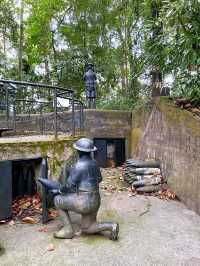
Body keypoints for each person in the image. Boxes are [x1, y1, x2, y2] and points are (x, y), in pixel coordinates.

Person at [53, 138, 119, 240]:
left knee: (57, 200)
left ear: (78, 151)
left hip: (83, 203)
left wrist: (60, 190)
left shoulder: (78, 166)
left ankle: (68, 230)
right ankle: (111, 226)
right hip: (95, 200)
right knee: (87, 228)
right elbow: (99, 179)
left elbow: (69, 186)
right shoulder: (95, 163)